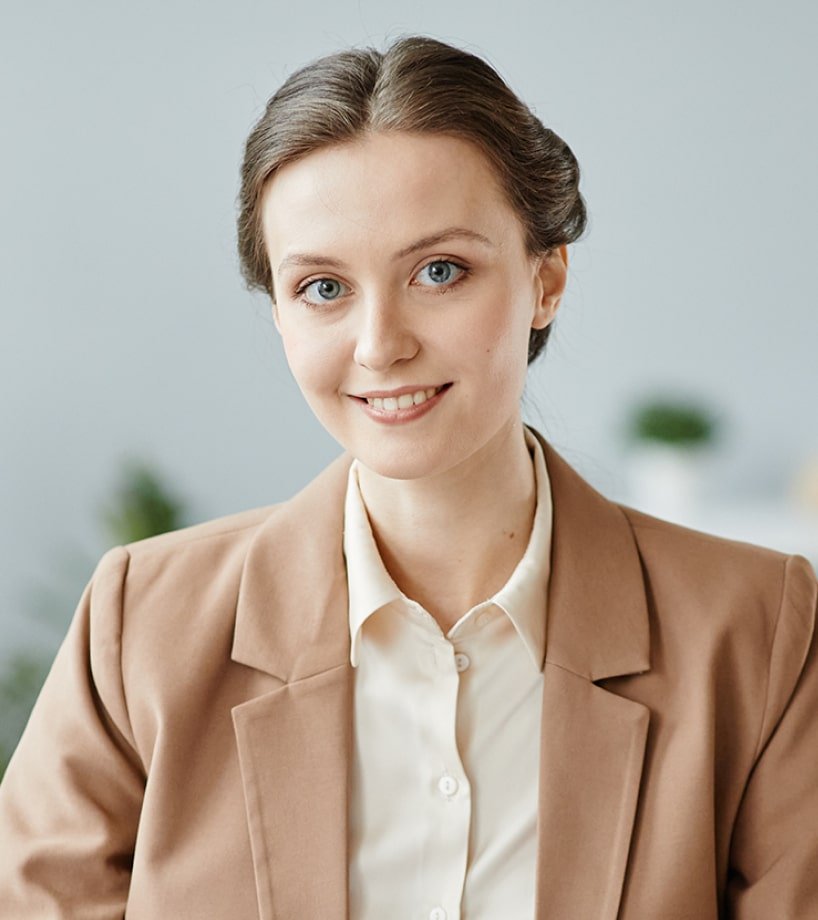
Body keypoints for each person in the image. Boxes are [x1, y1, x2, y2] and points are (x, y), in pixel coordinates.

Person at [1, 33, 816, 920]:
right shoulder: (140, 628)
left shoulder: (758, 633)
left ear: (547, 281)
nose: (381, 344)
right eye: (322, 288)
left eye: (440, 271)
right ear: (277, 308)